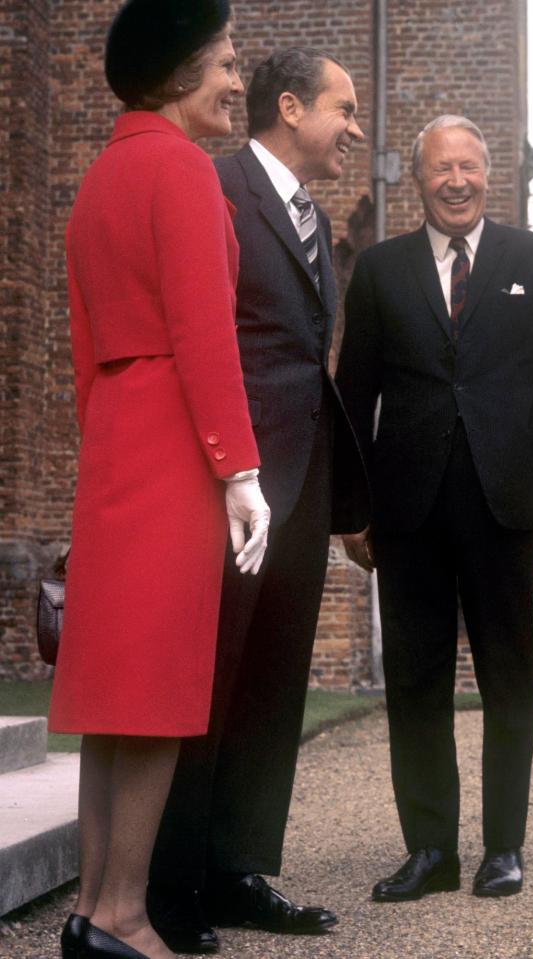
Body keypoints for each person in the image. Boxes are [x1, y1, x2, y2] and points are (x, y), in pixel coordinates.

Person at [48, 3, 270, 958]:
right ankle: (126, 914)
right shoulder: (181, 170)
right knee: (156, 692)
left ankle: (93, 907)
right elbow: (204, 333)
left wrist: (113, 448)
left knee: (113, 696)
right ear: (180, 73)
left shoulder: (104, 175)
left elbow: (84, 344)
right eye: (224, 62)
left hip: (116, 444)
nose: (236, 78)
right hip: (179, 440)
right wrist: (239, 467)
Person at [146, 48, 369, 953]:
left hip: (304, 475)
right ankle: (174, 884)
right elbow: (202, 334)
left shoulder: (311, 216)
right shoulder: (216, 188)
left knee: (275, 672)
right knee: (215, 669)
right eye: (342, 109)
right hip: (236, 479)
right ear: (291, 107)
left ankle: (239, 868)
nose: (353, 128)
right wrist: (230, 468)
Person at [336, 114, 533, 902]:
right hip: (405, 509)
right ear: (417, 179)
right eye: (440, 168)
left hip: (504, 500)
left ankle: (503, 847)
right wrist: (350, 507)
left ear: (488, 175)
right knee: (414, 681)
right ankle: (430, 850)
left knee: (509, 678)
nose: (456, 181)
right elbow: (353, 394)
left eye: (469, 168)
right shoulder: (380, 270)